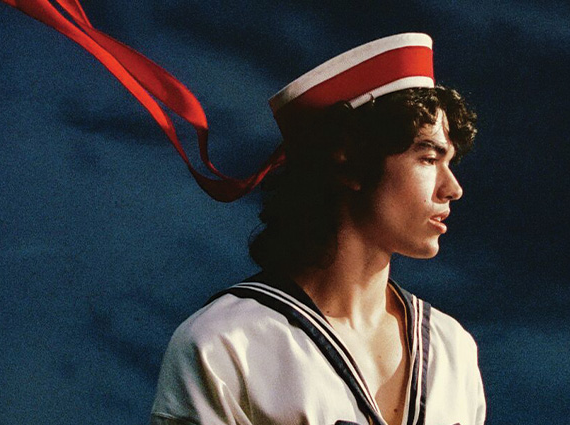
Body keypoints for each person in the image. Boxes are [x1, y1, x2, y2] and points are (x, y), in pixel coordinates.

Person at [149, 33, 486, 425]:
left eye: (450, 163)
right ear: (349, 157)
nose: (453, 188)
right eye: (428, 158)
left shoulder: (452, 350)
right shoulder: (224, 345)